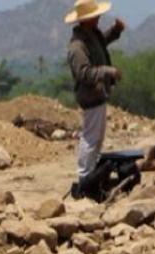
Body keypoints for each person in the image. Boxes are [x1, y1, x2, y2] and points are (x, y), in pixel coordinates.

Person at [66, 0, 126, 187]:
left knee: (96, 137)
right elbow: (84, 73)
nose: (99, 17)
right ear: (87, 19)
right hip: (90, 95)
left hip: (97, 94)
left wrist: (115, 31)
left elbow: (101, 43)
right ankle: (84, 176)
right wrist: (107, 71)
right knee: (91, 138)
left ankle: (91, 174)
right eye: (95, 15)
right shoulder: (77, 47)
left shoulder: (90, 36)